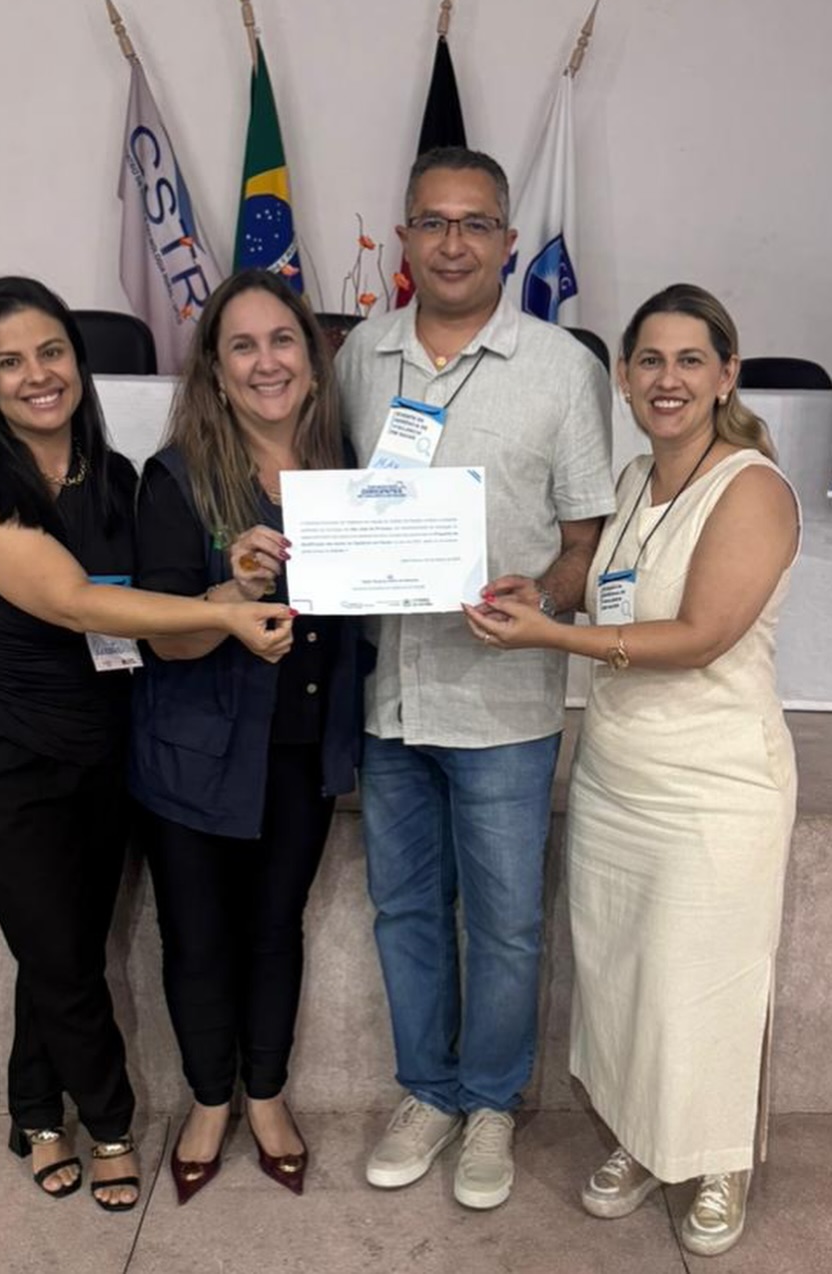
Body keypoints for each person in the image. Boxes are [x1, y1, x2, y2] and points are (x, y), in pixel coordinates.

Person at [0, 275, 294, 1212]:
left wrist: (232, 588)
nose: (38, 375)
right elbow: (76, 602)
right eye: (9, 362)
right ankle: (110, 1124)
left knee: (58, 946)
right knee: (61, 956)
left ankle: (31, 1110)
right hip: (1, 756)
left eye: (51, 351)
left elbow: (147, 611)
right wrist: (223, 614)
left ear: (78, 361)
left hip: (99, 748)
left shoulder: (114, 477)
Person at [465, 283, 799, 1257]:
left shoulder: (752, 488)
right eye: (649, 359)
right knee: (624, 981)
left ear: (727, 375)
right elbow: (612, 595)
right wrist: (543, 597)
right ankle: (647, 1141)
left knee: (701, 981)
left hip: (713, 785)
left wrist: (551, 638)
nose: (667, 379)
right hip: (617, 772)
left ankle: (718, 1161)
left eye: (691, 360)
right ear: (621, 376)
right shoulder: (635, 477)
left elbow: (699, 635)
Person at [335, 146, 616, 1209]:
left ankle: (491, 1101)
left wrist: (547, 596)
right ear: (405, 237)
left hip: (503, 703)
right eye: (433, 222)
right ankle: (429, 1092)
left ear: (508, 240)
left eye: (475, 223)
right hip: (390, 695)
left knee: (503, 921)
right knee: (404, 909)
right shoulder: (359, 356)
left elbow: (585, 544)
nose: (453, 243)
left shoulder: (562, 367)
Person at [129, 268, 364, 1203]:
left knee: (275, 929)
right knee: (196, 937)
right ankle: (207, 1100)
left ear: (312, 358)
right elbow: (163, 637)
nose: (267, 362)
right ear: (216, 374)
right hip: (194, 756)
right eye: (242, 346)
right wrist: (231, 594)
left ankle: (264, 1095)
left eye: (282, 340)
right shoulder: (175, 479)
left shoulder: (353, 471)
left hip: (302, 749)